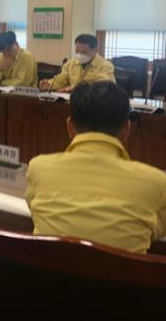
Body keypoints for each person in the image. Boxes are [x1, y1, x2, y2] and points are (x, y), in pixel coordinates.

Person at [25, 81, 166, 253]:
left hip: (45, 270)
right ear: (126, 130)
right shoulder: (156, 183)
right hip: (120, 272)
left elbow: (34, 210)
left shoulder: (38, 168)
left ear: (69, 127)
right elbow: (156, 230)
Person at [39, 34, 115, 93]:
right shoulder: (70, 64)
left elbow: (104, 87)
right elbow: (60, 81)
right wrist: (49, 84)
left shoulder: (106, 66)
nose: (80, 55)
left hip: (93, 104)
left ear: (95, 50)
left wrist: (75, 88)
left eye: (84, 52)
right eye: (77, 52)